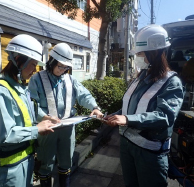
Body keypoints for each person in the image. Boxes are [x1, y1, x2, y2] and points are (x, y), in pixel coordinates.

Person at [104, 25, 185, 187]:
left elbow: (164, 116)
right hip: (127, 146)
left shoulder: (171, 82)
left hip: (149, 153)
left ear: (154, 53)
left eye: (140, 53)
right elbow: (130, 106)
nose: (137, 57)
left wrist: (126, 119)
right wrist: (115, 115)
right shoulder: (141, 77)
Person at [0, 34, 55, 187]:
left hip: (25, 161)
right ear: (19, 61)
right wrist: (36, 130)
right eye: (33, 64)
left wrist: (44, 117)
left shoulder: (20, 88)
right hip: (9, 171)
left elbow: (28, 111)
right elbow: (3, 136)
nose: (35, 70)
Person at [28, 43, 103, 187]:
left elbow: (83, 95)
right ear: (52, 61)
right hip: (47, 128)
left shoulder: (70, 79)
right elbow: (31, 105)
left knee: (66, 161)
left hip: (67, 128)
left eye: (65, 67)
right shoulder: (37, 79)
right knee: (46, 162)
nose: (62, 70)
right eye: (60, 66)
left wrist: (95, 107)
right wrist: (44, 117)